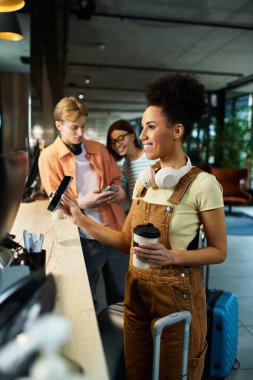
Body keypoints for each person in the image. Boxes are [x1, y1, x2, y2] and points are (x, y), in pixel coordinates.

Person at [60, 74, 227, 380]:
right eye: (143, 126)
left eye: (151, 127)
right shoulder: (145, 181)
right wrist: (79, 219)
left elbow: (219, 251)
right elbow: (126, 241)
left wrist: (172, 256)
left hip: (177, 303)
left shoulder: (204, 185)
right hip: (136, 296)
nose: (142, 135)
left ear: (176, 130)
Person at [38, 96, 129, 312]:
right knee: (86, 299)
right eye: (74, 127)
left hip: (114, 231)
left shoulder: (98, 149)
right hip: (84, 238)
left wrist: (119, 191)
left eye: (83, 127)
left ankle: (126, 342)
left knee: (123, 295)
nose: (80, 133)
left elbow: (116, 179)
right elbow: (54, 204)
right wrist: (83, 203)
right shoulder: (49, 157)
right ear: (58, 124)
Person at [106, 119, 157, 208]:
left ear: (132, 137)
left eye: (121, 139)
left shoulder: (151, 155)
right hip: (138, 212)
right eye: (113, 142)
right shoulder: (126, 165)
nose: (117, 145)